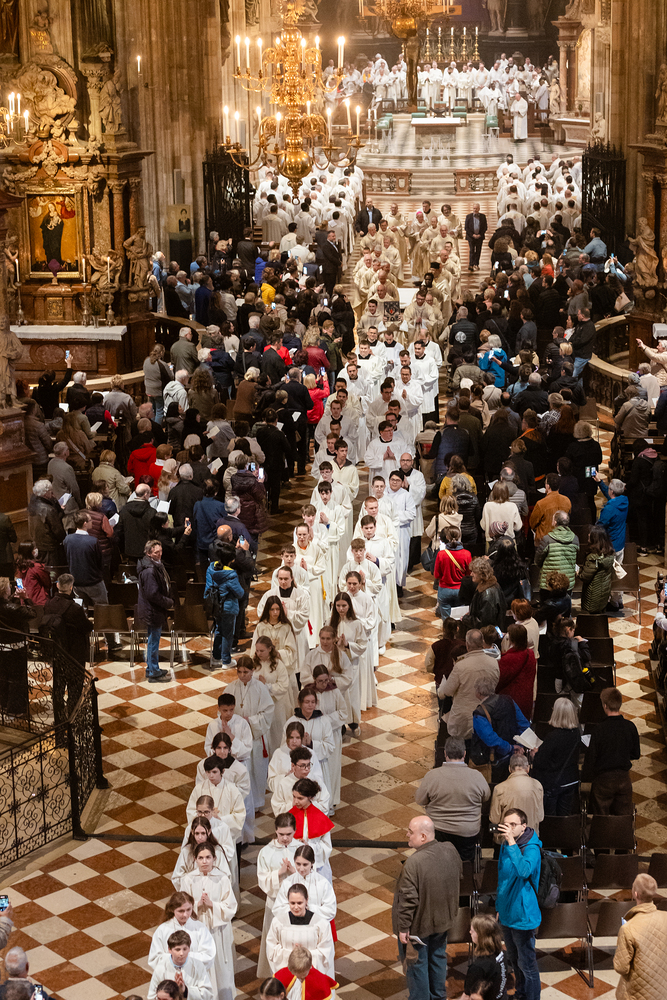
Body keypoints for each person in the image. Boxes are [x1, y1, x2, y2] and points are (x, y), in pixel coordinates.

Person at [392, 815, 462, 1000]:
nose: (407, 835)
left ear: (423, 836)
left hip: (418, 927)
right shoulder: (450, 850)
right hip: (443, 921)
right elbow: (459, 876)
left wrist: (403, 928)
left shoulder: (413, 863)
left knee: (416, 964)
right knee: (438, 958)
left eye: (410, 831)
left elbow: (408, 900)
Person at [414, 737, 490, 862]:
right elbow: (486, 797)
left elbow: (420, 800)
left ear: (445, 753)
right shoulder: (477, 776)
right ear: (464, 754)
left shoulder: (432, 776)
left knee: (439, 862)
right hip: (467, 832)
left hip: (438, 831)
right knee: (465, 864)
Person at [496, 807, 542, 1000]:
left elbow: (524, 871)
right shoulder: (506, 845)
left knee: (527, 964)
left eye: (513, 824)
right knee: (514, 960)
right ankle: (521, 994)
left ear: (524, 826)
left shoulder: (531, 848)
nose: (509, 828)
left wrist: (512, 843)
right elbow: (503, 879)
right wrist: (499, 907)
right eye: (506, 825)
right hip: (507, 912)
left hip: (523, 915)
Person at [582, 686, 640, 815]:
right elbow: (636, 754)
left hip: (603, 781)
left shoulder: (599, 729)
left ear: (605, 706)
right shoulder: (630, 727)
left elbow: (591, 758)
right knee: (622, 819)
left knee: (601, 819)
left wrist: (585, 778)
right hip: (623, 779)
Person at [613, 873, 667, 1000]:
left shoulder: (628, 928)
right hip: (662, 991)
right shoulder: (666, 917)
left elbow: (621, 968)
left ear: (635, 894)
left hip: (636, 994)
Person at [438, 629, 500, 740]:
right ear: (482, 643)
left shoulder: (460, 666)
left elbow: (447, 691)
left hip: (463, 720)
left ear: (467, 645)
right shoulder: (494, 663)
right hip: (487, 717)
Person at [530, 697, 581, 815]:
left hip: (553, 783)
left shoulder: (553, 737)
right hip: (570, 780)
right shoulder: (576, 734)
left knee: (551, 817)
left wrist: (534, 754)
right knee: (564, 816)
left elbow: (540, 762)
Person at [137, 539, 174, 682]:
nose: (159, 554)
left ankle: (151, 668)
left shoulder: (154, 565)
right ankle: (153, 671)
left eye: (160, 551)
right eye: (156, 552)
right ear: (148, 553)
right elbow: (152, 594)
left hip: (153, 610)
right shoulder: (149, 570)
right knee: (153, 642)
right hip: (152, 610)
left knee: (153, 640)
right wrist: (167, 602)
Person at [205, 542, 244, 668]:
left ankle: (216, 656)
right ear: (231, 560)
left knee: (218, 630)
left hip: (215, 606)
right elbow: (239, 593)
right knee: (228, 634)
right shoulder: (230, 575)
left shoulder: (211, 568)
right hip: (228, 607)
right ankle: (226, 661)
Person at [146, 928, 213, 1000]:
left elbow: (207, 995)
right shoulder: (161, 967)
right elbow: (152, 996)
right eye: (177, 949)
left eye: (185, 949)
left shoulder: (198, 965)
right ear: (170, 950)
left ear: (189, 949)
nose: (182, 953)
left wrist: (185, 990)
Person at [490, 754, 544, 839]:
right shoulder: (538, 786)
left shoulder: (499, 788)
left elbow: (494, 819)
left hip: (507, 839)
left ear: (509, 769)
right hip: (531, 838)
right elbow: (540, 817)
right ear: (528, 768)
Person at [464, 916, 511, 1000]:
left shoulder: (477, 967)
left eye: (473, 931)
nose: (470, 932)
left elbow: (469, 995)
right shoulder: (502, 953)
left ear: (481, 935)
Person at [273, 945, 339, 1000]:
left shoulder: (319, 980)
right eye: (295, 974)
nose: (299, 977)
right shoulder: (284, 974)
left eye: (303, 975)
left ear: (310, 967)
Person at [579, 524, 615, 613]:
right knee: (600, 615)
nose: (588, 535)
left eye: (590, 534)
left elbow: (585, 577)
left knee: (589, 618)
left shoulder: (593, 557)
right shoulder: (609, 554)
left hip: (592, 596)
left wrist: (577, 572)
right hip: (604, 594)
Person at [465, 203, 488, 271]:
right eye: (474, 208)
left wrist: (480, 234)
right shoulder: (468, 216)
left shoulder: (483, 216)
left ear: (479, 209)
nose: (475, 210)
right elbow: (466, 228)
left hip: (479, 237)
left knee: (478, 250)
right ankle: (471, 264)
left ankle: (476, 264)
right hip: (471, 237)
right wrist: (473, 235)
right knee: (472, 250)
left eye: (476, 208)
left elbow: (485, 227)